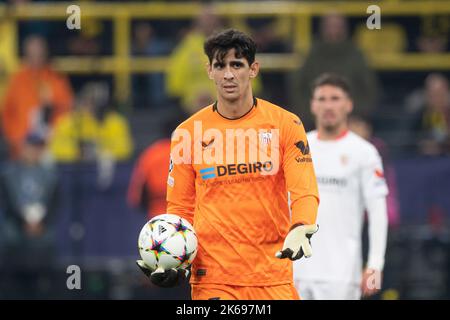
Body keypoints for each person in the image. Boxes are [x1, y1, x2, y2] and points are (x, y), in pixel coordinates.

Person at [137, 29, 320, 300]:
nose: (228, 74)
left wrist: (302, 226)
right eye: (220, 65)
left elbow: (303, 190)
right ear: (209, 71)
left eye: (237, 64)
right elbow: (180, 209)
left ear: (253, 69)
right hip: (213, 279)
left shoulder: (285, 124)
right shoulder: (187, 134)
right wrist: (174, 260)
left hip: (273, 276)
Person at [293, 73, 389, 300]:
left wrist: (375, 264)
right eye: (322, 99)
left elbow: (378, 212)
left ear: (349, 104)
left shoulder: (364, 153)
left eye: (335, 98)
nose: (328, 105)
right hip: (294, 270)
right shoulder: (296, 147)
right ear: (312, 105)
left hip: (342, 275)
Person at [292, 13, 379, 131]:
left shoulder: (356, 54)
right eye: (329, 26)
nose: (333, 31)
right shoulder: (311, 54)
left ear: (345, 29)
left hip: (352, 120)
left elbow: (369, 89)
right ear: (322, 29)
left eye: (338, 26)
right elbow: (297, 87)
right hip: (313, 121)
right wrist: (310, 115)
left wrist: (355, 114)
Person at [0, 131, 59, 299]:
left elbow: (55, 204)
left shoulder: (50, 175)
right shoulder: (8, 173)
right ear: (24, 147)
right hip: (15, 240)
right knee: (14, 287)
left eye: (39, 148)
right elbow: (7, 202)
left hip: (41, 241)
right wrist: (23, 222)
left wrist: (42, 223)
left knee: (41, 287)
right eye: (32, 147)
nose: (35, 151)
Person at [1, 35, 73, 159]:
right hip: (21, 150)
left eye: (39, 54)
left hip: (52, 149)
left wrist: (48, 144)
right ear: (25, 56)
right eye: (32, 55)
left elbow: (65, 112)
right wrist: (18, 145)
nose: (36, 59)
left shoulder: (56, 80)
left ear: (45, 54)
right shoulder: (17, 81)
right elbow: (7, 116)